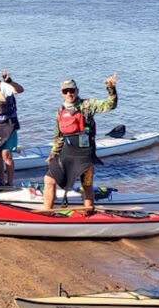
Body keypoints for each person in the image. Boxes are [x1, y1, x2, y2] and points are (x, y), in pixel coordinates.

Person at [45, 75, 118, 213]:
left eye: (72, 91)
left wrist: (111, 89)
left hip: (85, 153)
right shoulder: (60, 111)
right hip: (67, 152)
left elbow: (111, 105)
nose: (69, 94)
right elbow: (59, 137)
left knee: (87, 184)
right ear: (61, 93)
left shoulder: (87, 105)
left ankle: (88, 214)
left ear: (77, 91)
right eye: (65, 91)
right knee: (49, 179)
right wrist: (53, 154)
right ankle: (46, 215)